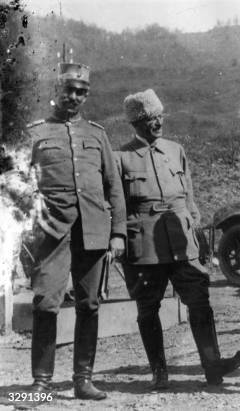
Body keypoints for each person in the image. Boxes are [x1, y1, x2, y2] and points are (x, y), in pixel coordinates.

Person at [115, 89, 240, 390]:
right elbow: (115, 206)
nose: (157, 123)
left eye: (160, 116)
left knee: (199, 301)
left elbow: (188, 197)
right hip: (144, 244)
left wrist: (197, 231)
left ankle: (213, 366)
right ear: (135, 123)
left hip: (181, 239)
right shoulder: (119, 158)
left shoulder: (176, 150)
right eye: (149, 119)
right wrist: (119, 239)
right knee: (148, 308)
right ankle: (159, 372)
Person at [27, 62, 127, 401]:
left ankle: (83, 380)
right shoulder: (36, 134)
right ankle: (41, 383)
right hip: (51, 234)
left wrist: (118, 234)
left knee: (90, 304)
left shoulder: (98, 135)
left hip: (93, 233)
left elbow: (114, 189)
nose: (74, 97)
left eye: (81, 92)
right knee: (45, 304)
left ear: (87, 95)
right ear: (56, 91)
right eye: (68, 90)